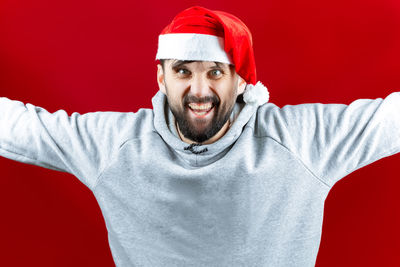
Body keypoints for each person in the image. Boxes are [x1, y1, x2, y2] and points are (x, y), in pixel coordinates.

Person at [1, 5, 399, 267]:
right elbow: (21, 127)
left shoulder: (300, 140)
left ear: (239, 79)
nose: (199, 90)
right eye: (183, 71)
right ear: (161, 77)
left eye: (215, 71)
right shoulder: (115, 145)